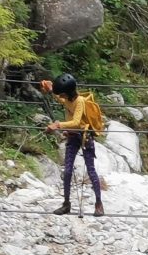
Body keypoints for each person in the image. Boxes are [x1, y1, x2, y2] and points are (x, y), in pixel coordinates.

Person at [43, 73, 105, 216]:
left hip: (84, 136)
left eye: (62, 94)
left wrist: (58, 125)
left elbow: (76, 122)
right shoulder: (68, 99)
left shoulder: (80, 101)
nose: (61, 97)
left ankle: (99, 203)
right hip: (72, 137)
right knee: (68, 171)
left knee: (91, 170)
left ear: (67, 93)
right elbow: (59, 98)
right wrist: (50, 88)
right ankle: (66, 204)